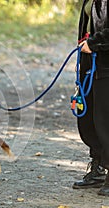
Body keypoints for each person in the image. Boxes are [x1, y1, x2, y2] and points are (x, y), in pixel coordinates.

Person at [72, 0, 109, 196]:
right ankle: (98, 169)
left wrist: (94, 43)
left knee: (106, 122)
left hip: (106, 65)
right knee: (88, 120)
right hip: (90, 64)